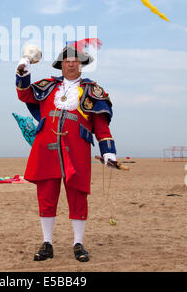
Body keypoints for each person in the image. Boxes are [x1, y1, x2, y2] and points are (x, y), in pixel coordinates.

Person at [15, 42, 117, 262]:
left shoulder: (93, 91)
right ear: (61, 65)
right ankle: (47, 242)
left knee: (78, 195)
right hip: (46, 149)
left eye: (74, 61)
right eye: (67, 61)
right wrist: (23, 70)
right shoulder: (47, 86)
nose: (71, 64)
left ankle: (78, 243)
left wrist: (108, 151)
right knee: (46, 195)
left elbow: (101, 126)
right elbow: (24, 95)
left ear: (81, 64)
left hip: (77, 149)